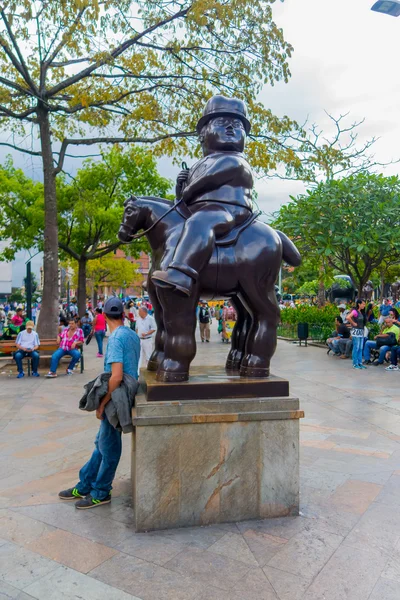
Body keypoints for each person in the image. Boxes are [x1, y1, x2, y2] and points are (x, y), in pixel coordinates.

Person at [152, 95, 253, 297]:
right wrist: (181, 186)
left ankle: (181, 273)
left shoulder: (234, 160)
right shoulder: (200, 164)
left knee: (199, 222)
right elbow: (183, 200)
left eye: (237, 125)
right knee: (175, 228)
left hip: (229, 210)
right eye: (223, 123)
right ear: (203, 134)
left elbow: (211, 179)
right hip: (201, 210)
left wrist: (189, 189)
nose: (231, 128)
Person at [58, 297, 140, 509]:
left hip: (116, 396)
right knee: (101, 444)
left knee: (109, 447)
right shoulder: (131, 334)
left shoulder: (115, 339)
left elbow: (116, 376)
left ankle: (101, 491)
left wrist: (103, 403)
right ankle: (85, 484)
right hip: (127, 392)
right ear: (122, 314)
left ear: (103, 315)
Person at [347, 298, 366, 370]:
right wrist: (353, 323)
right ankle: (355, 363)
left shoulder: (361, 312)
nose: (364, 305)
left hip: (361, 332)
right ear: (359, 304)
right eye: (363, 304)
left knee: (360, 348)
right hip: (356, 332)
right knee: (356, 347)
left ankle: (360, 362)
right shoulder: (355, 311)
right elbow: (348, 317)